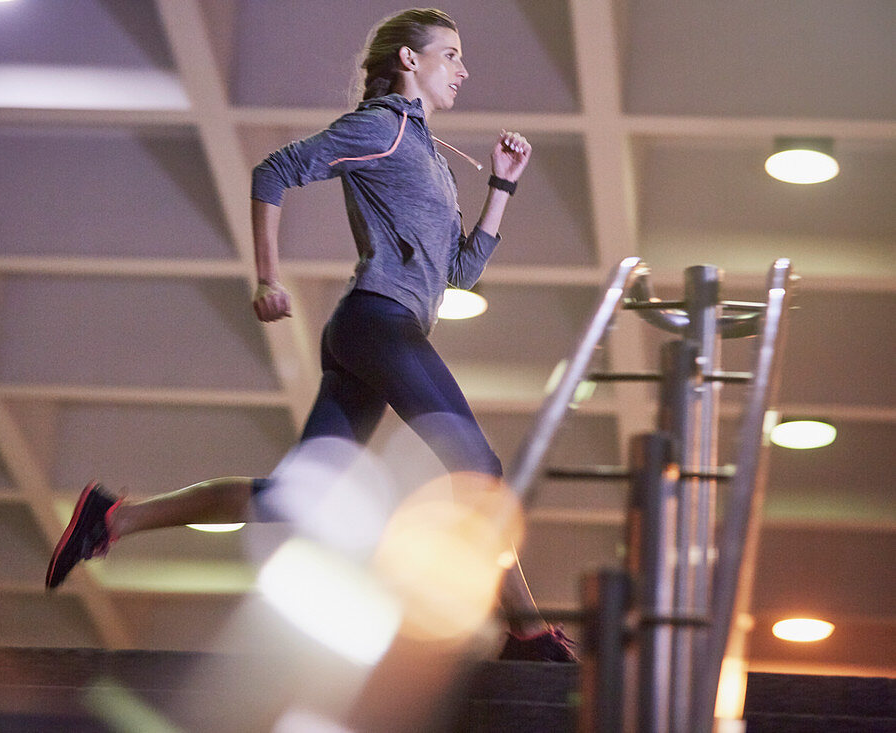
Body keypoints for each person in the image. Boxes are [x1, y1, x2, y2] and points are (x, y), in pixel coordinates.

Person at [46, 8, 574, 662]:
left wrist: (502, 186)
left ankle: (113, 516)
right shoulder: (381, 127)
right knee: (480, 469)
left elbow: (458, 273)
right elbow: (274, 171)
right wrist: (268, 278)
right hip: (378, 322)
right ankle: (525, 630)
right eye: (451, 54)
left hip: (380, 327)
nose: (463, 70)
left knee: (300, 501)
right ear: (410, 60)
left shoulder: (430, 157)